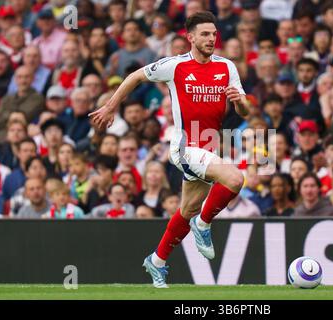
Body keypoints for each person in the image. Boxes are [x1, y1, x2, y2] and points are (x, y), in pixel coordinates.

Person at [89, 11, 249, 288]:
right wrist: (111, 106)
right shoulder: (175, 66)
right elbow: (135, 77)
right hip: (186, 147)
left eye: (214, 34)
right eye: (205, 34)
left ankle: (158, 261)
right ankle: (204, 224)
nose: (211, 39)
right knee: (235, 179)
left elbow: (245, 110)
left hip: (209, 144)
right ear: (191, 38)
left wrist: (238, 102)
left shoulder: (227, 67)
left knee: (186, 210)